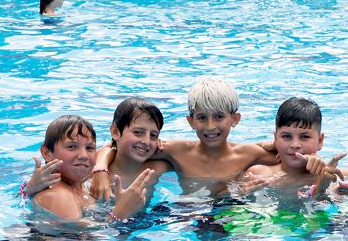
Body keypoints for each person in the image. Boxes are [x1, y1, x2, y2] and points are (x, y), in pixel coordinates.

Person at [90, 78, 279, 198]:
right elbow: (115, 146)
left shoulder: (249, 154)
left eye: (219, 117)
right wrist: (100, 170)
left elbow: (289, 159)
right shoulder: (176, 151)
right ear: (191, 121)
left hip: (232, 208)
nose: (210, 126)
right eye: (202, 117)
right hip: (189, 213)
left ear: (235, 119)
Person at [32, 115, 152, 223]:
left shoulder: (78, 184)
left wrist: (100, 168)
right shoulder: (59, 196)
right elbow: (88, 240)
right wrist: (122, 211)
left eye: (89, 148)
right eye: (72, 147)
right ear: (47, 152)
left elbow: (113, 147)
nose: (84, 156)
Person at [245, 97, 342, 194]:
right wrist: (246, 195)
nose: (295, 145)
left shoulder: (329, 177)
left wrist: (322, 186)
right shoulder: (259, 174)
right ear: (276, 139)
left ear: (320, 141)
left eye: (304, 136)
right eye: (287, 136)